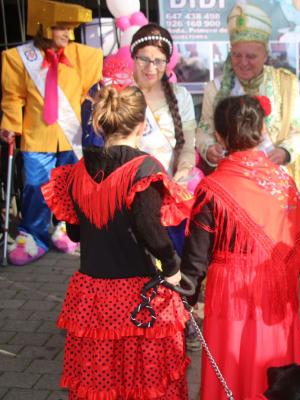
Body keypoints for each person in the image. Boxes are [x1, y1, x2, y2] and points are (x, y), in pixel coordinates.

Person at [41, 84, 193, 399]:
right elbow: (149, 228)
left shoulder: (76, 172)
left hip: (93, 294)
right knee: (146, 379)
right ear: (142, 124)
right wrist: (172, 269)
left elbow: (75, 233)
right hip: (139, 295)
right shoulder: (145, 169)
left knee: (101, 379)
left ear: (98, 124)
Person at [181, 95, 300, 400]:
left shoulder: (213, 187)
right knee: (274, 368)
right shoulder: (285, 183)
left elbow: (196, 260)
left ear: (219, 135)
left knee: (233, 367)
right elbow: (297, 243)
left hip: (230, 297)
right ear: (263, 129)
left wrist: (184, 298)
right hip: (277, 298)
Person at [0, 0, 102, 265]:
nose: (66, 34)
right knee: (35, 187)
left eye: (69, 27)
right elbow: (13, 97)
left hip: (73, 136)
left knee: (71, 187)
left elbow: (90, 95)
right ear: (42, 27)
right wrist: (10, 123)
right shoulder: (17, 59)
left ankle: (67, 230)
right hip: (38, 135)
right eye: (59, 27)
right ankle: (33, 235)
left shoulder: (85, 56)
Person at [196, 3, 300, 201]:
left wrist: (284, 152)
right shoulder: (215, 89)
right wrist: (208, 149)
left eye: (251, 56)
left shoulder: (284, 83)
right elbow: (204, 131)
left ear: (265, 55)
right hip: (234, 187)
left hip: (276, 186)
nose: (243, 62)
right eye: (237, 55)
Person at [130, 23, 197, 183]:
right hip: (131, 187)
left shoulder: (181, 96)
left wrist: (184, 167)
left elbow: (188, 147)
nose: (151, 68)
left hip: (169, 185)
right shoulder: (122, 96)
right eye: (144, 59)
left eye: (159, 61)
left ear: (167, 62)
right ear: (133, 57)